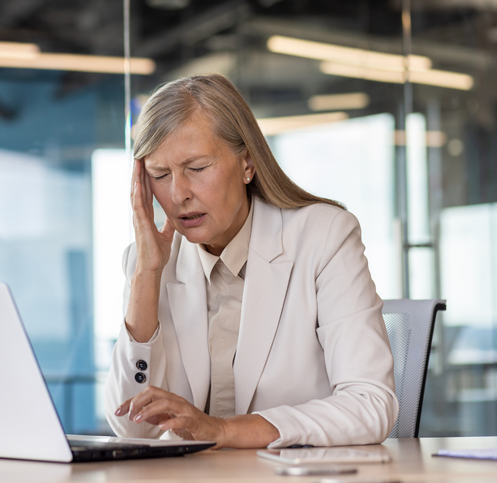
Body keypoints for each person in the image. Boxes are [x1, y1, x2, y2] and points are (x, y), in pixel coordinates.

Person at [104, 74, 398, 449]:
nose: (178, 194)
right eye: (160, 175)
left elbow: (371, 405)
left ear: (247, 163)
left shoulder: (324, 236)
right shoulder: (149, 261)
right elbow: (132, 428)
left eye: (196, 168)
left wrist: (224, 431)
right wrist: (146, 274)